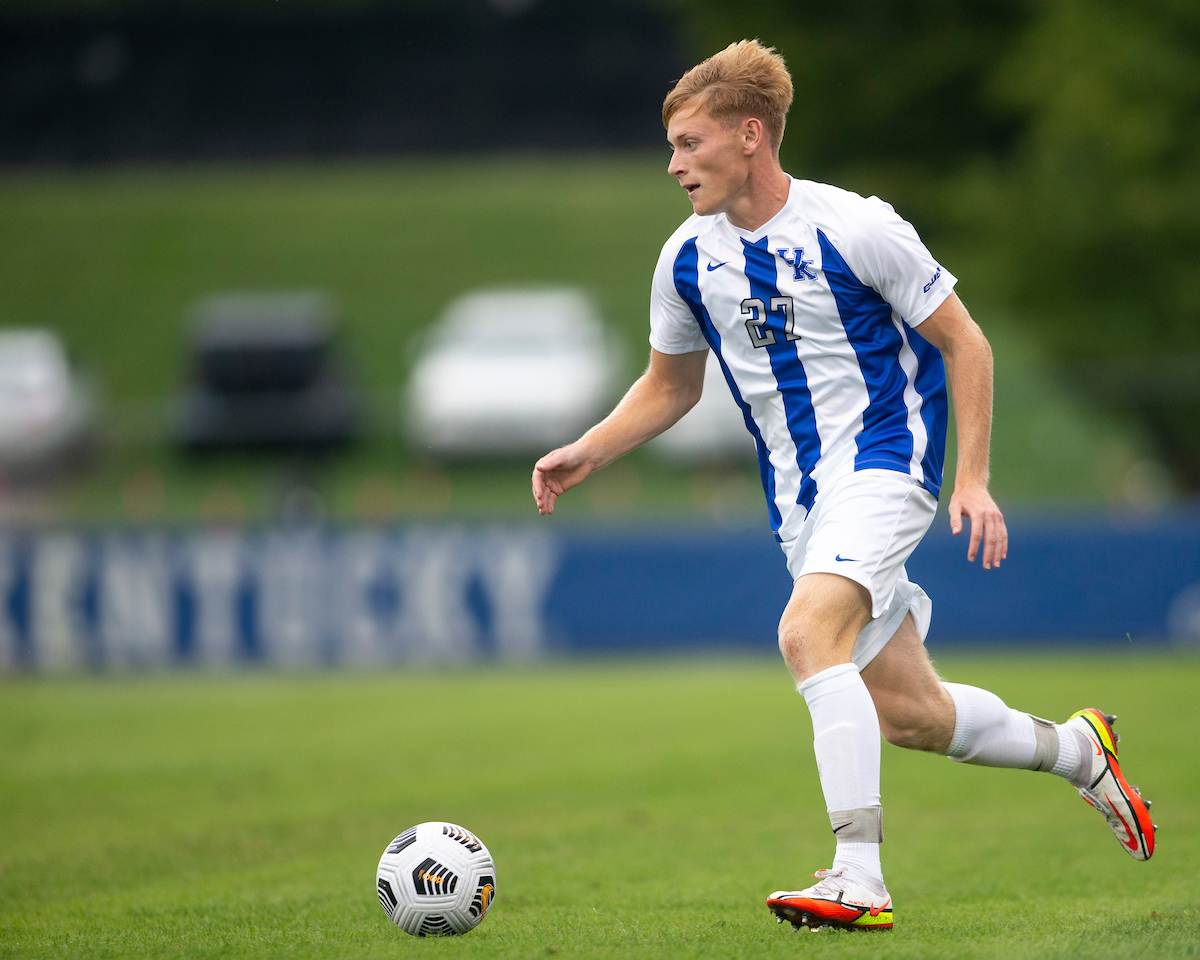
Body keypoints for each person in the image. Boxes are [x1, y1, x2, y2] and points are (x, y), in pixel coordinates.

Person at [531, 39, 1155, 931]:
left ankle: (857, 874)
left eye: (689, 144)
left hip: (887, 468)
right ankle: (1077, 752)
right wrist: (588, 449)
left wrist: (969, 480)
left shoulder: (855, 226)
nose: (673, 166)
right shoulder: (686, 260)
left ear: (750, 136)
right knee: (911, 715)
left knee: (805, 633)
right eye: (671, 147)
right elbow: (672, 384)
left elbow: (964, 342)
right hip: (802, 506)